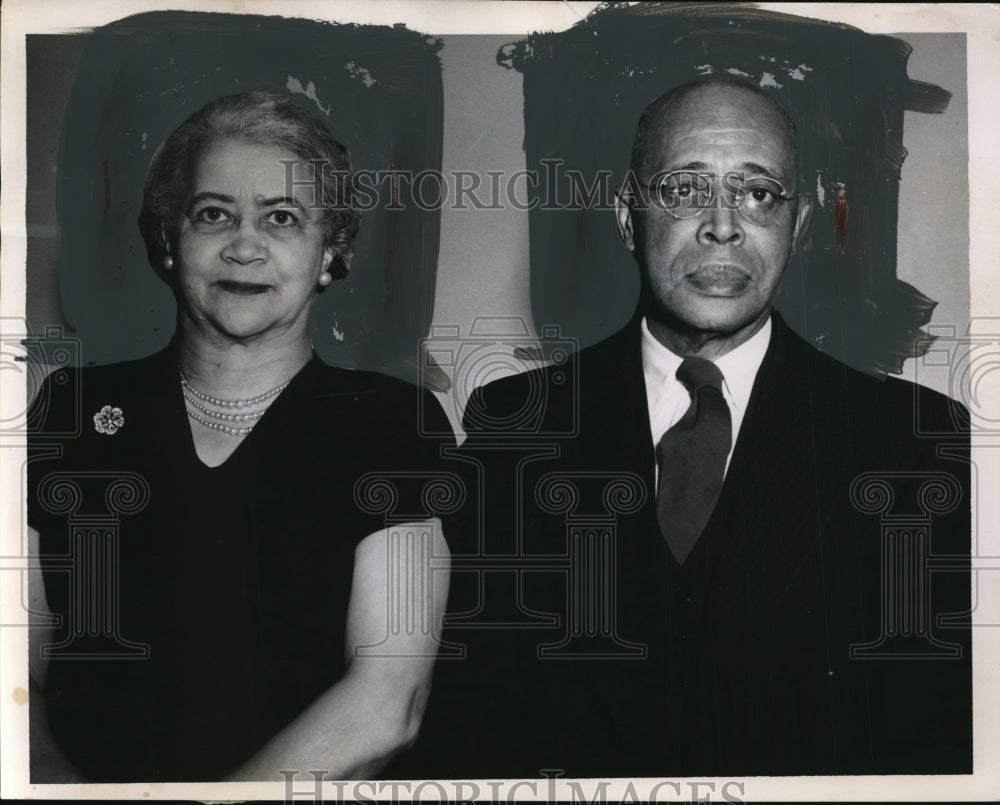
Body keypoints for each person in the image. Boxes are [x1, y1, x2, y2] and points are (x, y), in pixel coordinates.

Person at [414, 75, 971, 778]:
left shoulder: (912, 443)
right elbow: (475, 727)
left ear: (797, 226)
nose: (724, 224)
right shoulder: (513, 427)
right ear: (627, 215)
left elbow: (935, 747)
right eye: (684, 188)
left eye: (758, 192)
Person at [27, 91, 454, 782]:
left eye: (281, 218)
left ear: (330, 251)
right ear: (169, 241)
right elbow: (16, 665)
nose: (244, 245)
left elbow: (388, 701)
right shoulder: (75, 406)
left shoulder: (390, 423)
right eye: (213, 213)